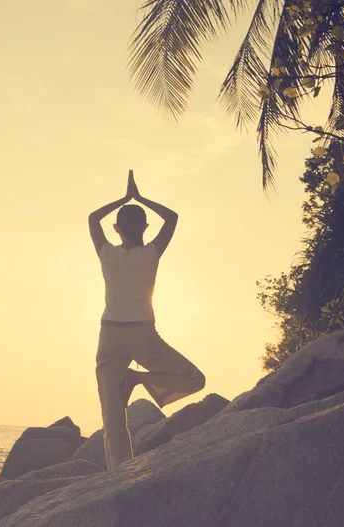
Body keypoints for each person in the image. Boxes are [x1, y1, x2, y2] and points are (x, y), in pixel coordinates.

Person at [88, 170, 206, 470]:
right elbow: (173, 218)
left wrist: (123, 198)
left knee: (112, 415)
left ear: (116, 228)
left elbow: (92, 218)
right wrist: (139, 198)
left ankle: (119, 473)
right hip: (143, 336)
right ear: (145, 226)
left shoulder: (107, 254)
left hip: (110, 335)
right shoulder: (152, 252)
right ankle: (138, 378)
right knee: (194, 379)